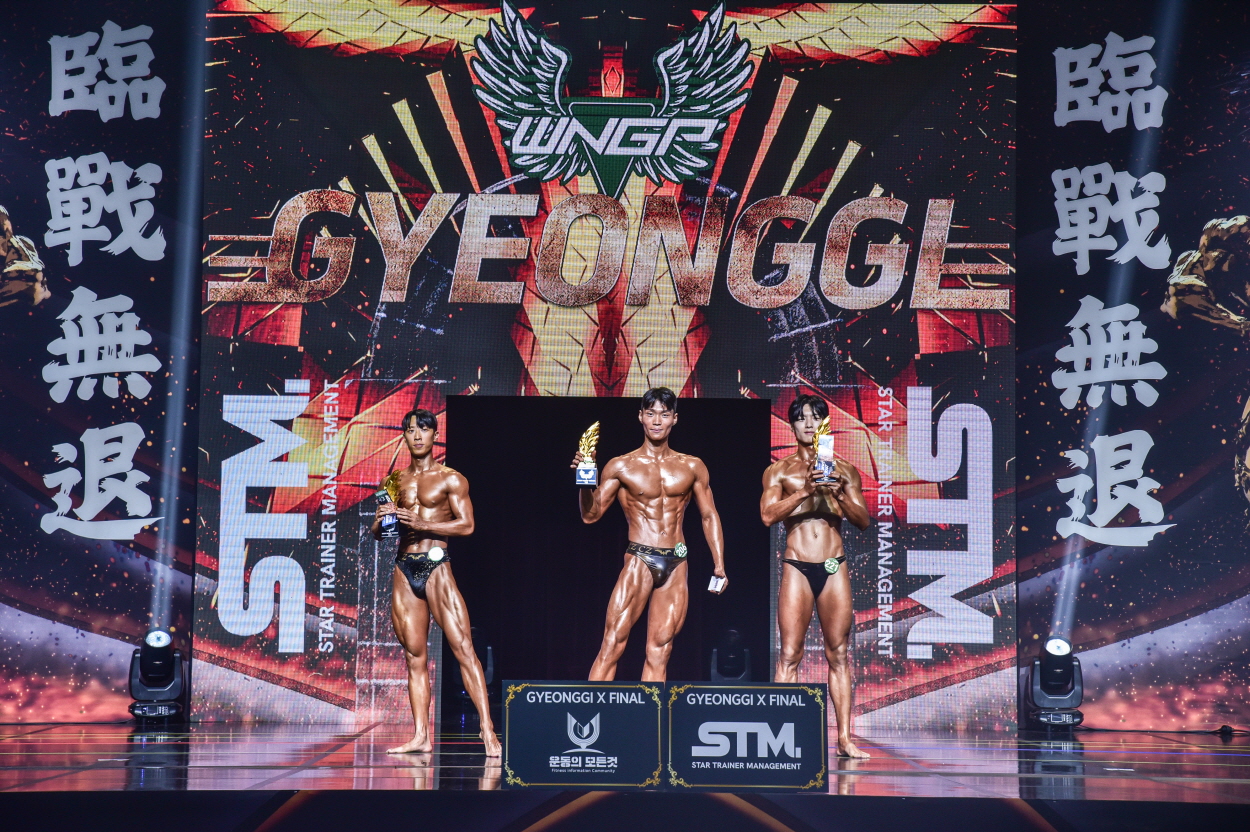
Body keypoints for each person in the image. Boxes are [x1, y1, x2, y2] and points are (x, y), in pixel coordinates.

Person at [571, 387, 727, 682]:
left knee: (660, 651)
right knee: (612, 644)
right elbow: (590, 515)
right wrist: (584, 482)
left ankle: (650, 714)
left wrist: (719, 564)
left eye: (664, 415)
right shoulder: (621, 465)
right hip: (640, 558)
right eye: (651, 414)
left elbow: (709, 515)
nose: (657, 421)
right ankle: (592, 709)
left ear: (674, 419)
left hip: (677, 562)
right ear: (640, 416)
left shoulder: (692, 466)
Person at [372, 408, 500, 756]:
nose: (417, 436)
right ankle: (420, 736)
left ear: (435, 435)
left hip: (436, 565)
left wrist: (424, 524)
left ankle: (488, 732)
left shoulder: (451, 479)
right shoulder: (393, 482)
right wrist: (381, 521)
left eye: (424, 430)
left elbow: (467, 525)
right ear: (404, 436)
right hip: (404, 566)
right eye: (411, 430)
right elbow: (380, 534)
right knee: (414, 656)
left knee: (464, 649)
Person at [760, 394, 871, 758]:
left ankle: (845, 739)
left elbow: (863, 520)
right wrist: (805, 491)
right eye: (801, 418)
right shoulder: (779, 471)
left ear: (825, 424)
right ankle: (780, 740)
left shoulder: (845, 470)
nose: (808, 424)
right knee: (789, 654)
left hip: (833, 565)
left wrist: (839, 494)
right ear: (791, 426)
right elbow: (767, 515)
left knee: (838, 654)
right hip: (797, 565)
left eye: (815, 417)